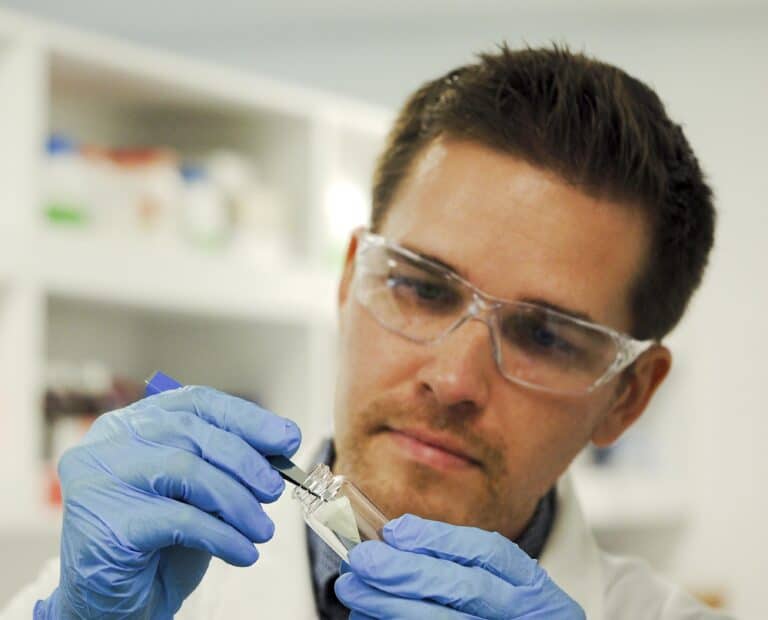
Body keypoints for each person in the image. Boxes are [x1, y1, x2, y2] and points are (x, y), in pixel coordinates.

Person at [2, 45, 732, 619]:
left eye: (546, 337)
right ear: (351, 279)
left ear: (627, 398)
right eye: (421, 287)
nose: (451, 380)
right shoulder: (131, 591)